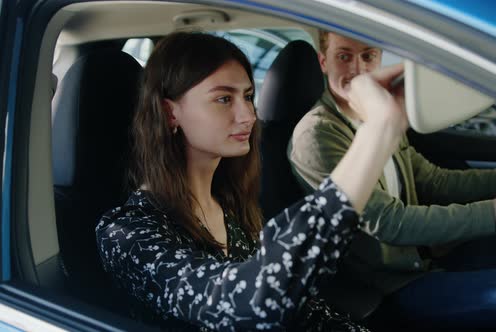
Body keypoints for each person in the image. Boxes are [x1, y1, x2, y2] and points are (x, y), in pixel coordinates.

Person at [95, 32, 409, 331]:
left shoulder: (231, 206)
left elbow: (305, 313)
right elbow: (248, 304)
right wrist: (377, 132)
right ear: (170, 113)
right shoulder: (128, 235)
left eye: (247, 96)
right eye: (223, 99)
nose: (248, 115)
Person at [288, 30, 496, 331]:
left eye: (368, 55)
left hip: (425, 258)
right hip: (385, 288)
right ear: (324, 62)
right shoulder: (317, 135)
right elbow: (388, 222)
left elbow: (433, 180)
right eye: (344, 56)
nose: (358, 69)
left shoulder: (373, 112)